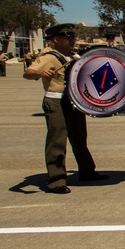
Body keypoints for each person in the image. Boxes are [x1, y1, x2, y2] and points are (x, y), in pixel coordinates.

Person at [23, 23, 105, 194]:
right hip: (56, 101)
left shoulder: (69, 56)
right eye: (67, 38)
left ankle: (87, 171)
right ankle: (56, 180)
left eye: (73, 37)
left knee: (80, 139)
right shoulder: (49, 57)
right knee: (57, 140)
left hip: (72, 101)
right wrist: (40, 73)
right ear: (55, 39)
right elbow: (28, 73)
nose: (72, 41)